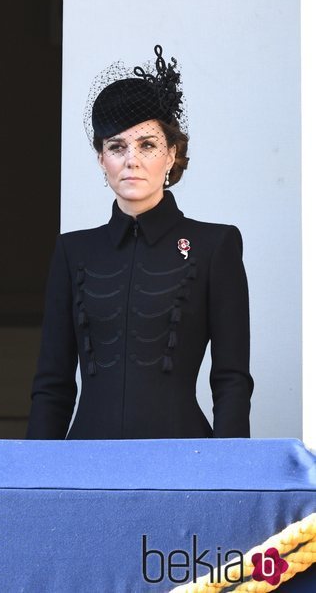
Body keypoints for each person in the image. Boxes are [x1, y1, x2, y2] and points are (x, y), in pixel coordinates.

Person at [27, 45, 252, 439]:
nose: (131, 160)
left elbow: (231, 379)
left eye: (147, 145)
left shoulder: (215, 245)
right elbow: (53, 385)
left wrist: (226, 472)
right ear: (101, 160)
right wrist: (34, 482)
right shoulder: (72, 252)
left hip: (184, 459)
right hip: (86, 464)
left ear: (171, 154)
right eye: (116, 147)